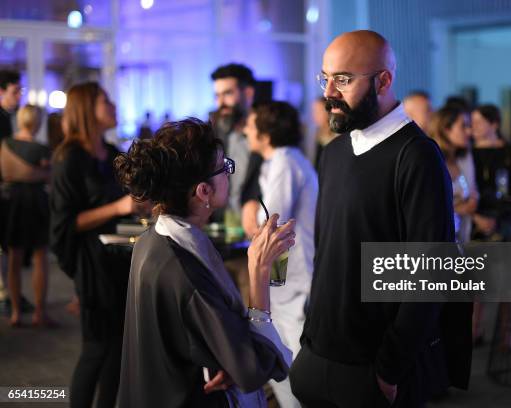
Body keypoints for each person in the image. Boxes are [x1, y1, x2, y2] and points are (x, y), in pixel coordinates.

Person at [289, 30, 472, 408]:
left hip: (373, 368)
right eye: (325, 78)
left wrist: (390, 369)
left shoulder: (417, 156)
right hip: (319, 353)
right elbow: (331, 252)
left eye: (343, 79)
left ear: (384, 81)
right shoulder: (335, 152)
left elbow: (430, 273)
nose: (329, 93)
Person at [115, 117, 294, 407]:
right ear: (203, 191)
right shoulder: (186, 272)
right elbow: (251, 370)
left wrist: (221, 357)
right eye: (225, 168)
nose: (228, 174)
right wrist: (259, 272)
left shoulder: (153, 239)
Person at [49, 82, 138, 408]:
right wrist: (119, 208)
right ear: (87, 108)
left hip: (119, 259)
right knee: (96, 347)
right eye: (105, 100)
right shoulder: (69, 158)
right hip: (91, 262)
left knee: (118, 348)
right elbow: (65, 222)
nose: (113, 105)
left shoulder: (113, 153)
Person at [243, 101, 318, 407]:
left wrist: (249, 211)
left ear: (266, 133)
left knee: (292, 367)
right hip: (289, 278)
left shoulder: (285, 162)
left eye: (251, 124)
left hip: (294, 279)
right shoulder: (282, 160)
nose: (246, 129)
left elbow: (268, 226)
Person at [0, 105, 53, 327]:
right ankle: (40, 312)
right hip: (36, 201)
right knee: (40, 256)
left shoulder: (6, 145)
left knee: (14, 256)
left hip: (13, 201)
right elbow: (50, 176)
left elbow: (5, 173)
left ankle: (15, 313)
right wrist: (38, 174)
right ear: (37, 122)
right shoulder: (41, 149)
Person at [210, 63, 263, 224]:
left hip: (258, 229)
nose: (221, 103)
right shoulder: (213, 135)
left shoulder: (267, 135)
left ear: (248, 94)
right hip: (220, 230)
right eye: (217, 96)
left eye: (227, 93)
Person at [470, 104, 511, 242]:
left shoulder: (509, 151)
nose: (473, 126)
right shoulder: (468, 152)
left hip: (504, 214)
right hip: (475, 214)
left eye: (479, 122)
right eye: (472, 122)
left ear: (494, 124)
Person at [428, 105, 478, 244]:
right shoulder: (430, 160)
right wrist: (458, 208)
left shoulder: (464, 158)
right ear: (446, 129)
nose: (469, 131)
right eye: (463, 126)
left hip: (463, 238)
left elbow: (473, 192)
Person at [311, 97, 337, 169]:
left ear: (329, 112)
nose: (314, 115)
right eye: (314, 111)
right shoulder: (318, 134)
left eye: (319, 111)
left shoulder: (338, 138)